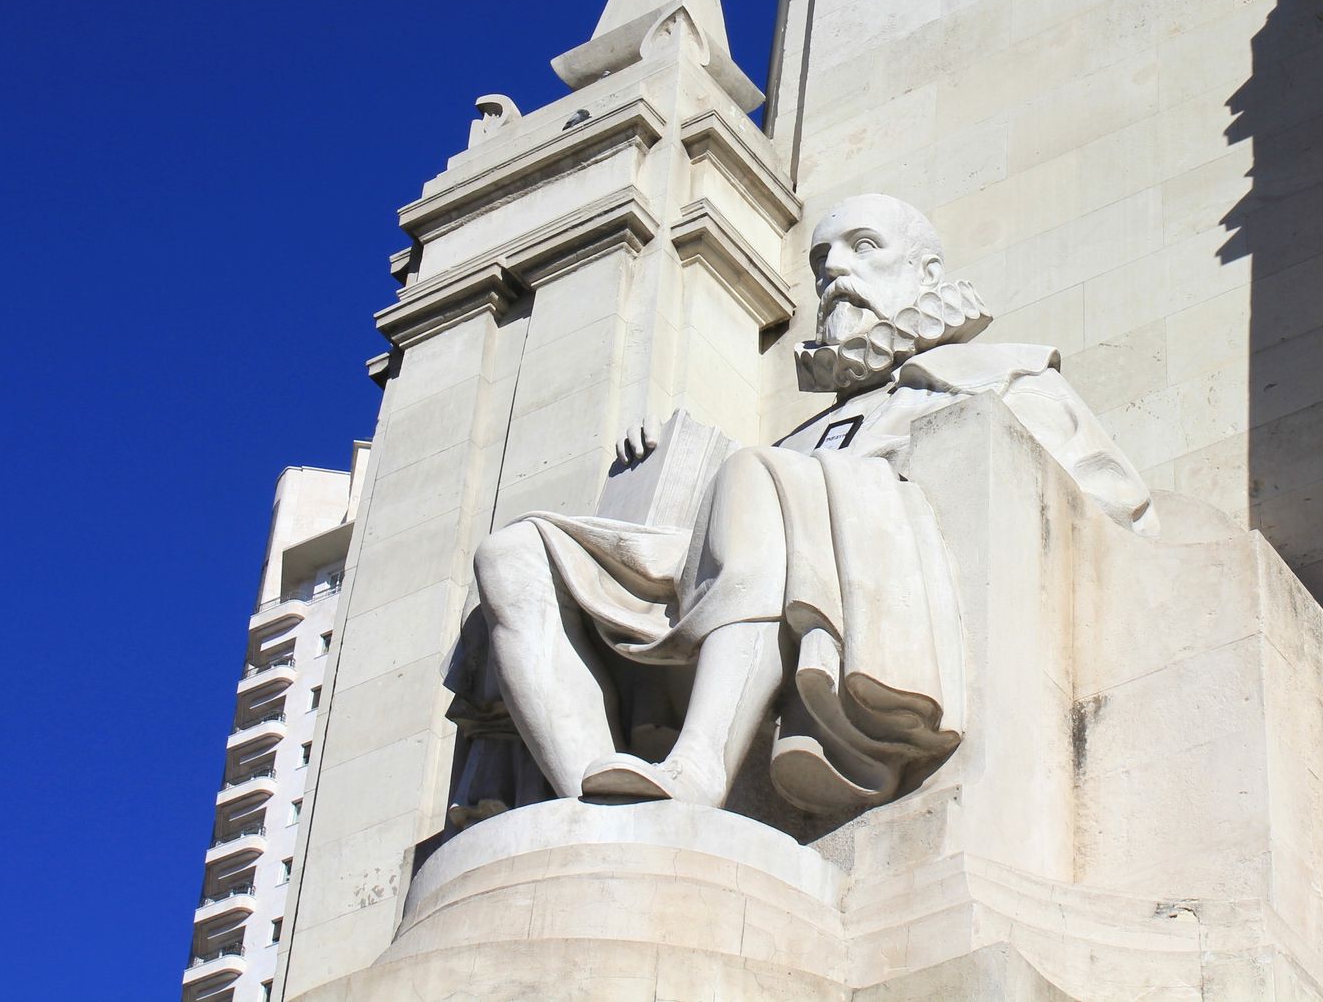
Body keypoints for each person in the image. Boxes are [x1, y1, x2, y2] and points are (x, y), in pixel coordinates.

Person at [471, 193, 1156, 817]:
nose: (834, 272)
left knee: (755, 476)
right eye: (821, 260)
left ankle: (700, 766)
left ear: (927, 274)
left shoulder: (1003, 377)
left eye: (863, 248)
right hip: (750, 565)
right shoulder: (792, 439)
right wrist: (656, 475)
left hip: (871, 575)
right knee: (514, 554)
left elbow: (1106, 505)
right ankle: (586, 803)